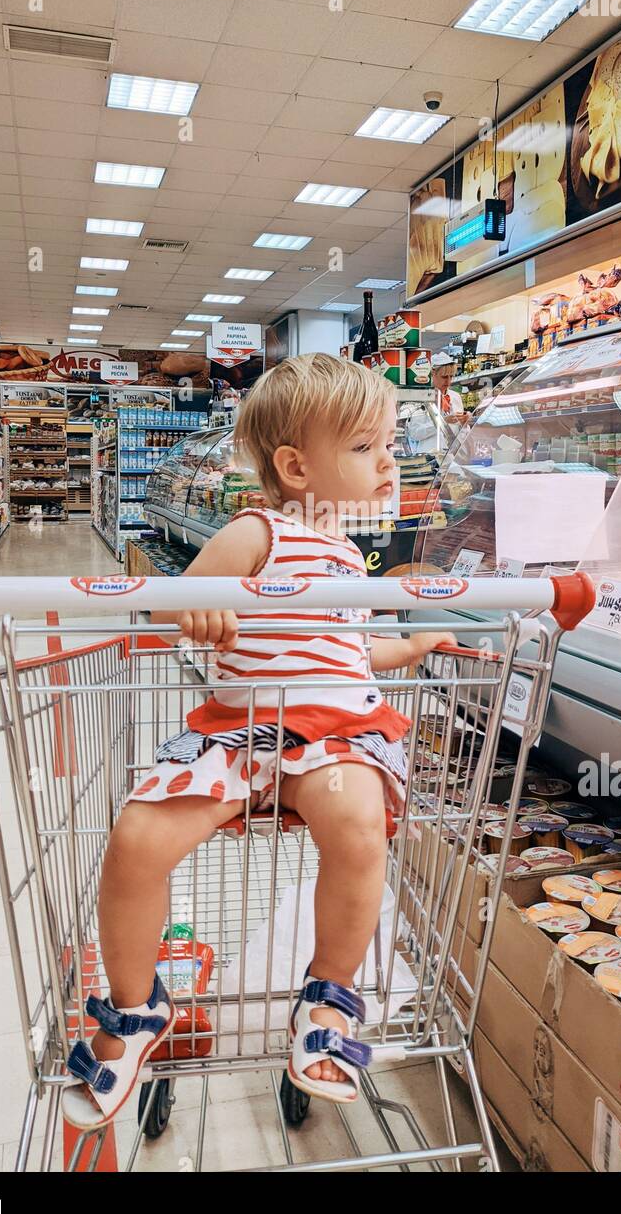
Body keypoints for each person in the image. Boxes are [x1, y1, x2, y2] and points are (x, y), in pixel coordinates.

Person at [62, 354, 456, 1126]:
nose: (388, 462)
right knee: (138, 837)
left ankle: (327, 1000)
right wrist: (201, 608)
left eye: (388, 444)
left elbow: (342, 652)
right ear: (295, 465)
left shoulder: (349, 555)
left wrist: (405, 649)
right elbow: (182, 596)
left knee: (357, 828)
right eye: (366, 448)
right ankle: (136, 1011)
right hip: (243, 728)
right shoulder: (257, 530)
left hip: (338, 730)